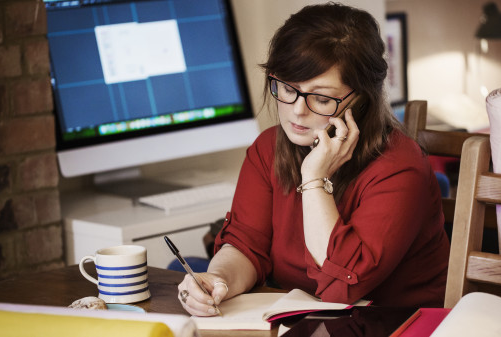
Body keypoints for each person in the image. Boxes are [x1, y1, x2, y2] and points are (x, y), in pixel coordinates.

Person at [178, 3, 450, 316]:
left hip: (394, 324)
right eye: (287, 88)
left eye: (321, 98)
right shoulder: (268, 148)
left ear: (361, 100)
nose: (297, 110)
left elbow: (343, 286)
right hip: (304, 320)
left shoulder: (399, 168)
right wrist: (218, 278)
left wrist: (314, 179)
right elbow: (246, 245)